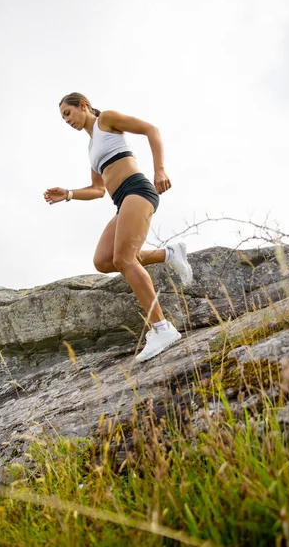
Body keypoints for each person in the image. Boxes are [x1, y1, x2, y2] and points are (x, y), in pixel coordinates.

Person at [43, 92, 193, 362]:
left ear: (84, 105)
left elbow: (151, 129)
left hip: (138, 190)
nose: (67, 120)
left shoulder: (107, 120)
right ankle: (168, 254)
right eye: (63, 118)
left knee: (124, 259)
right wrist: (67, 193)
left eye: (68, 113)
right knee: (103, 260)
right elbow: (98, 189)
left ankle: (162, 328)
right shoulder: (91, 149)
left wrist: (160, 169)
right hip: (121, 201)